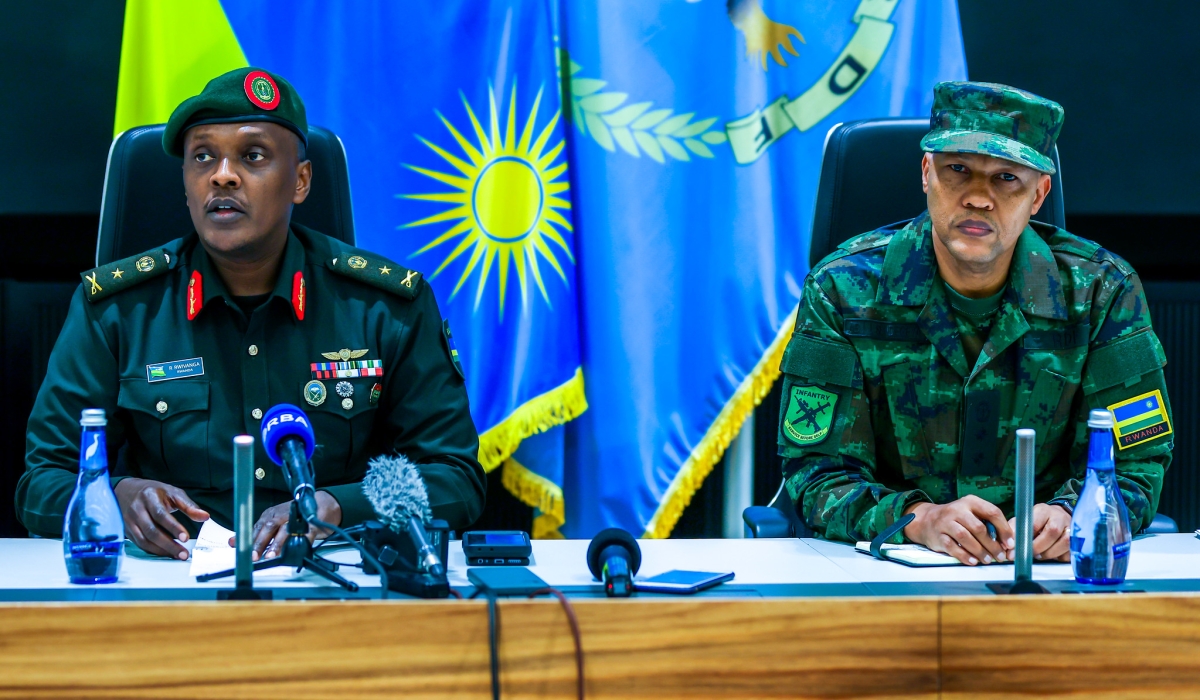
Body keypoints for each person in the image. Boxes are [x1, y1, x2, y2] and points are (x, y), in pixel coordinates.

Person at [17, 68, 485, 561]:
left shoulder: (384, 308)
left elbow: (452, 476)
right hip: (165, 587)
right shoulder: (117, 310)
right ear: (185, 183)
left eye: (252, 155)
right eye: (202, 157)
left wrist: (340, 505)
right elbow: (42, 479)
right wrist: (115, 497)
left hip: (334, 583)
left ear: (300, 180)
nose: (222, 174)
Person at [778, 81, 1171, 565]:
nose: (979, 198)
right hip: (884, 568)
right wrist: (917, 519)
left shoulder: (1102, 292)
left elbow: (1138, 463)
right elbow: (814, 473)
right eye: (958, 170)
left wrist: (1077, 514)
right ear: (926, 173)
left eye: (1007, 178)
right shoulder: (841, 290)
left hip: (1047, 572)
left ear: (1038, 194)